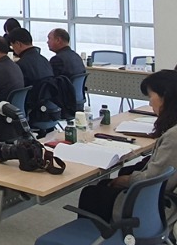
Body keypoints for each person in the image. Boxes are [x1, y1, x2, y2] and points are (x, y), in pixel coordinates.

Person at [75, 70, 177, 235]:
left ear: (165, 96)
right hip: (161, 196)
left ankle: (91, 240)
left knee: (92, 193)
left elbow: (152, 179)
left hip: (155, 204)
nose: (150, 103)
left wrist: (127, 180)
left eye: (151, 96)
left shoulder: (174, 136)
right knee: (117, 177)